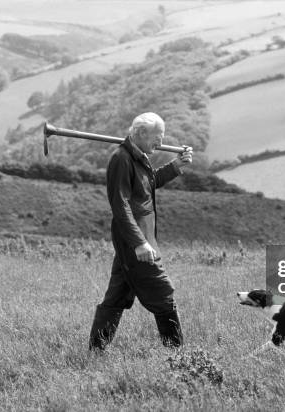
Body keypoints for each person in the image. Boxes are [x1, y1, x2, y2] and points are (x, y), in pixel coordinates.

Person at [89, 112, 193, 351]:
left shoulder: (139, 156)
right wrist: (139, 243)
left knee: (116, 297)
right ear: (141, 133)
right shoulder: (121, 159)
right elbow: (120, 205)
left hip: (139, 241)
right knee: (163, 293)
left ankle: (95, 351)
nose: (160, 142)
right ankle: (178, 355)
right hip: (136, 243)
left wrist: (176, 166)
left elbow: (148, 183)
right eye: (157, 137)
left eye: (162, 137)